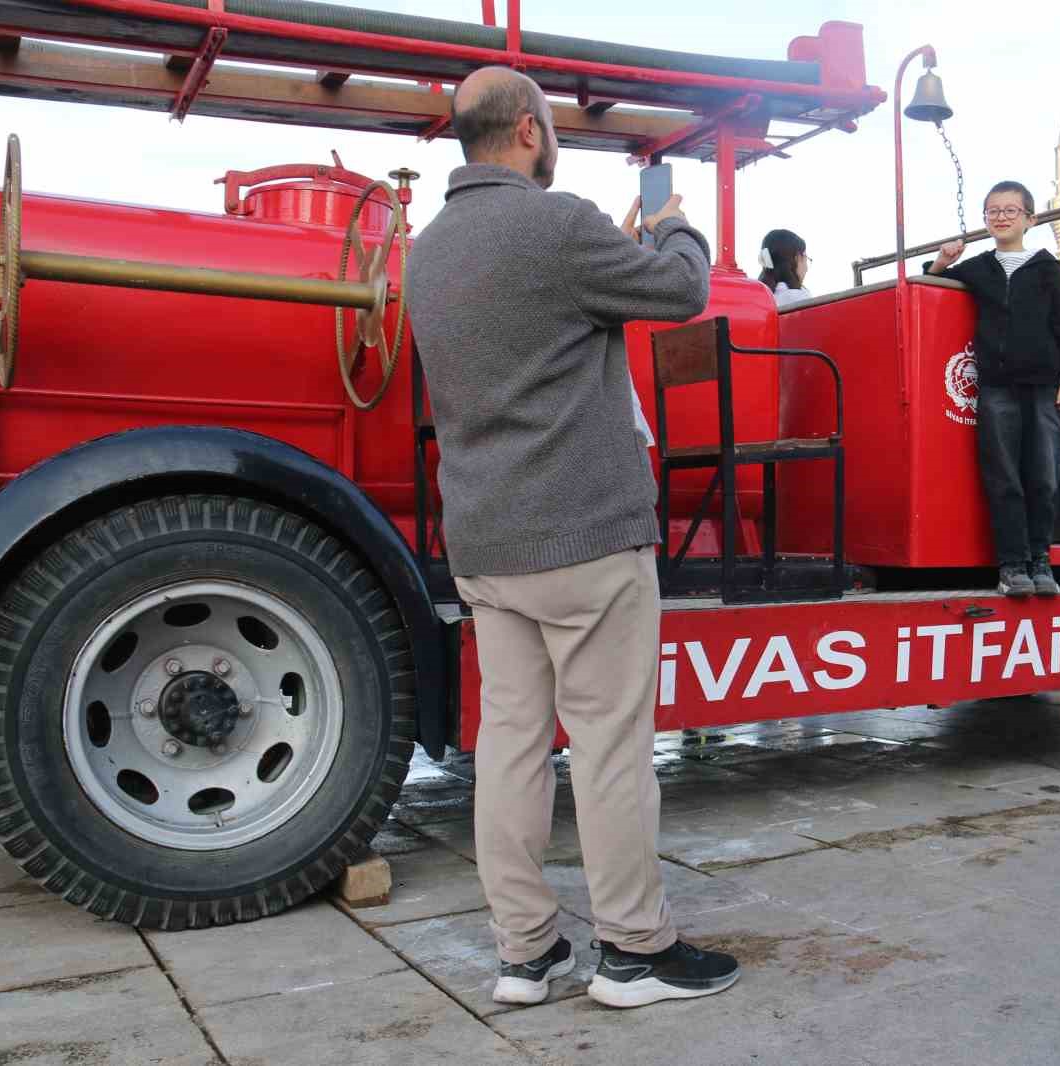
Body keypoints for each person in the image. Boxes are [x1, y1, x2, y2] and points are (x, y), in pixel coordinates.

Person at [406, 66, 740, 1010]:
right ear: (525, 132)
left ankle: (527, 955)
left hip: (487, 544)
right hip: (585, 536)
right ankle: (634, 953)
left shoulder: (427, 250)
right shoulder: (557, 222)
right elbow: (678, 291)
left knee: (509, 748)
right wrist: (675, 221)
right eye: (549, 127)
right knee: (608, 749)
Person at [929, 180, 1060, 597]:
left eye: (1011, 210)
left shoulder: (1051, 269)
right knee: (1004, 477)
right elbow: (931, 280)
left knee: (1044, 476)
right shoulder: (978, 268)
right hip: (996, 387)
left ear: (1030, 219)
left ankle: (1040, 560)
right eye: (993, 210)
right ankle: (1012, 566)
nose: (1001, 216)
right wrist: (943, 259)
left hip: (1043, 386)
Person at [757, 228, 812, 307]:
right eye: (807, 259)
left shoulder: (758, 297)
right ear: (798, 258)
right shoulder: (799, 298)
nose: (806, 269)